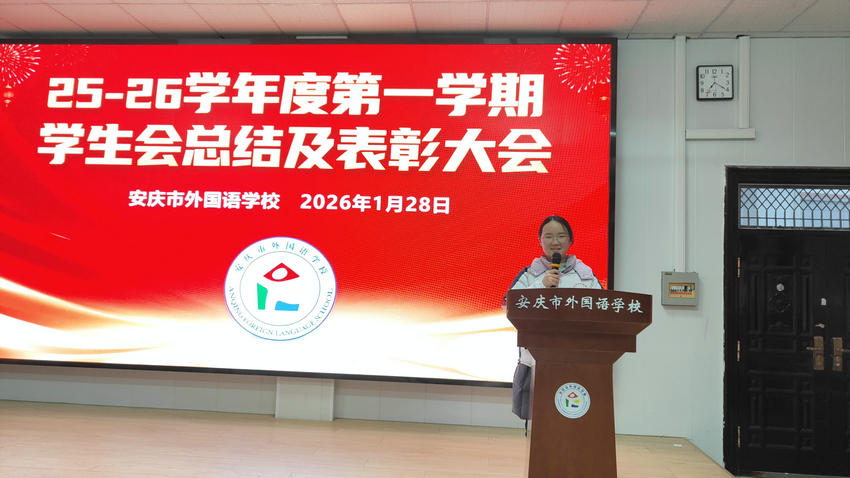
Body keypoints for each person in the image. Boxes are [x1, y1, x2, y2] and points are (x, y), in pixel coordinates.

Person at [506, 215, 601, 425]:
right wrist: (540, 285)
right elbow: (509, 306)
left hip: (579, 361)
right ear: (540, 240)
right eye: (548, 236)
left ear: (571, 240)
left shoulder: (586, 276)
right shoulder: (529, 275)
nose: (555, 241)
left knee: (576, 423)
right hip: (536, 361)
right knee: (541, 425)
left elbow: (604, 310)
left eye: (561, 236)